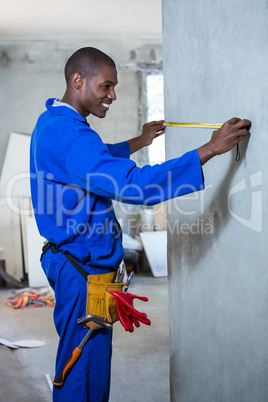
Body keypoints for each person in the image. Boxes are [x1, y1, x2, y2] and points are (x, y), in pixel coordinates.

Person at [30, 47, 250, 402]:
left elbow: (91, 160)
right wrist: (209, 150)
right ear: (78, 80)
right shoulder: (73, 136)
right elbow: (136, 185)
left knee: (88, 362)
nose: (113, 95)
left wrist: (140, 141)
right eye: (106, 87)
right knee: (82, 370)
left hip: (74, 264)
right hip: (82, 272)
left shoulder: (55, 122)